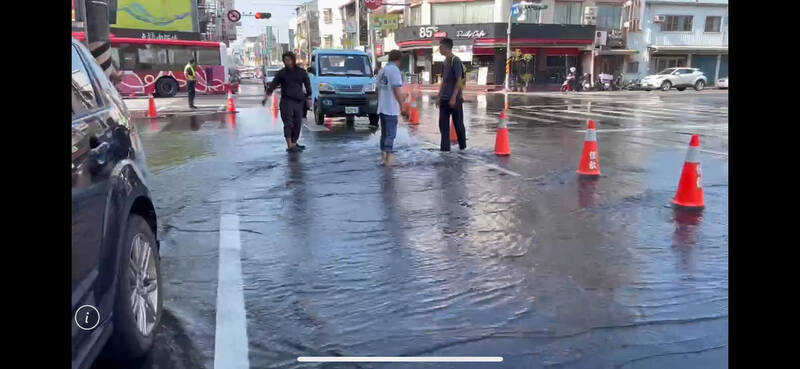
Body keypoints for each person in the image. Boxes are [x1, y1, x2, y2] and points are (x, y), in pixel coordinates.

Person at [266, 52, 312, 153]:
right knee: (288, 123)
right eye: (285, 60)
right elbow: (274, 83)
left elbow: (307, 83)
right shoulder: (282, 73)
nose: (287, 62)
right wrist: (268, 92)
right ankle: (290, 145)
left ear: (293, 60)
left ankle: (294, 143)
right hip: (287, 101)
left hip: (299, 101)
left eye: (289, 60)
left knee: (297, 123)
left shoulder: (301, 72)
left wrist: (308, 94)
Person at [376, 50, 406, 166]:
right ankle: (388, 159)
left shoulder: (382, 71)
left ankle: (383, 157)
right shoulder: (394, 70)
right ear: (398, 60)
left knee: (384, 134)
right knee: (390, 134)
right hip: (390, 108)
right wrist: (402, 106)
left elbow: (377, 89)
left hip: (382, 107)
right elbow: (397, 90)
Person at [437, 38, 466, 151]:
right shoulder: (445, 62)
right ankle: (445, 150)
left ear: (446, 47)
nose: (439, 49)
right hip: (444, 99)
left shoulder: (456, 60)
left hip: (454, 99)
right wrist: (439, 96)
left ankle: (463, 148)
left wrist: (454, 97)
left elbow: (459, 80)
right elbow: (443, 81)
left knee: (458, 125)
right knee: (443, 126)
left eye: (440, 47)